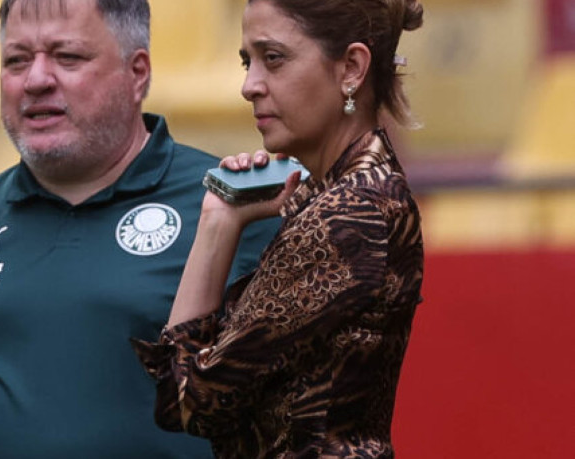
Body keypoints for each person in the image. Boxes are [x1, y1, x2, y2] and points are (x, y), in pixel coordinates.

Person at [0, 0, 279, 457]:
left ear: (137, 73)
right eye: (16, 60)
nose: (37, 79)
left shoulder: (235, 210)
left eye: (67, 57)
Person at [131, 0, 425, 457]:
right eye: (248, 62)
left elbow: (187, 402)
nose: (249, 86)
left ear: (351, 67)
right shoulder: (351, 193)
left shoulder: (348, 214)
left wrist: (217, 222)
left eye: (274, 59)